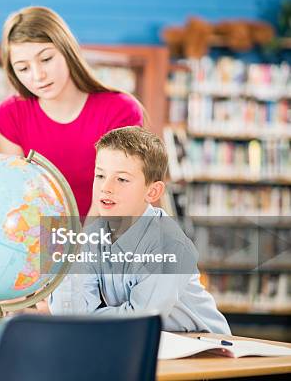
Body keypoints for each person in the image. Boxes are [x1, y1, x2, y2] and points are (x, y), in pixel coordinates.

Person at [49, 126, 231, 334]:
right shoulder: (91, 237)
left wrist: (87, 318)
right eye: (100, 176)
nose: (106, 187)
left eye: (122, 179)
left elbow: (140, 320)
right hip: (144, 343)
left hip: (205, 348)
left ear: (152, 192)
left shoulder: (168, 245)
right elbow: (71, 314)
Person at [0, 6, 143, 218]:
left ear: (67, 50)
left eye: (46, 59)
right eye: (23, 68)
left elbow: (113, 198)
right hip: (39, 242)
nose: (38, 76)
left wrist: (80, 246)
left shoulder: (121, 110)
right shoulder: (11, 115)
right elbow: (17, 197)